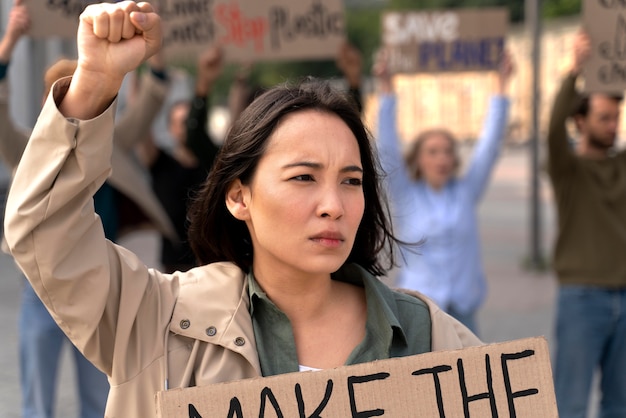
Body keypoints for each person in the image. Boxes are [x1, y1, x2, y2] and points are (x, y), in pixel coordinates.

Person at [4, 3, 481, 417]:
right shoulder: (158, 318)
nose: (333, 206)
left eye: (351, 182)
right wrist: (94, 83)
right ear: (238, 197)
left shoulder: (428, 334)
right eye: (303, 177)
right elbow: (45, 233)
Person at [0, 1, 176, 416]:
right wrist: (10, 43)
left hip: (101, 286)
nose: (74, 97)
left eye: (81, 85)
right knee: (37, 401)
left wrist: (155, 47)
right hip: (41, 290)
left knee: (100, 402)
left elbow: (151, 100)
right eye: (61, 88)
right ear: (48, 98)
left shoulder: (111, 140)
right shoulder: (28, 150)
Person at [374, 50, 513, 333]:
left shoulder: (465, 191)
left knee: (470, 377)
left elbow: (489, 145)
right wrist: (387, 89)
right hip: (420, 312)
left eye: (448, 151)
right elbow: (387, 148)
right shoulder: (405, 195)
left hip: (464, 308)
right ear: (418, 159)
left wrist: (501, 85)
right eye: (433, 152)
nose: (442, 159)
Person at [546, 31, 626, 418]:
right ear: (580, 121)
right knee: (571, 401)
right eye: (604, 117)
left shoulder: (622, 165)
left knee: (620, 403)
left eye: (617, 118)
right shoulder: (568, 170)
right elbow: (551, 133)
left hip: (625, 296)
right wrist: (573, 72)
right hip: (581, 298)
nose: (613, 125)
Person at [138, 46, 222, 272]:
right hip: (172, 265)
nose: (186, 128)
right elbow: (140, 124)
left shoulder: (213, 160)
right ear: (170, 128)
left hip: (209, 263)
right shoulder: (160, 162)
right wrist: (149, 67)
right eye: (180, 122)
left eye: (190, 121)